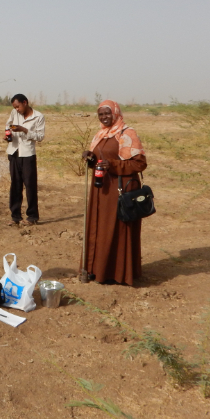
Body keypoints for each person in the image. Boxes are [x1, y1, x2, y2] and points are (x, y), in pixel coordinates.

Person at [81, 100, 147, 285]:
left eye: (107, 113)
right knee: (100, 228)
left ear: (116, 113)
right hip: (101, 189)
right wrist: (91, 157)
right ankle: (97, 269)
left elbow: (139, 163)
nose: (104, 117)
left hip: (120, 189)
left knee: (115, 229)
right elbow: (101, 160)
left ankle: (116, 273)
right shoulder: (101, 134)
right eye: (101, 114)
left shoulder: (127, 133)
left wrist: (113, 165)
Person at [4, 94, 45, 225]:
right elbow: (8, 126)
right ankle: (15, 217)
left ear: (25, 103)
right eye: (14, 107)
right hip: (14, 152)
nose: (17, 109)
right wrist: (8, 134)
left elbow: (40, 136)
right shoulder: (14, 113)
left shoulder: (38, 116)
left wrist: (24, 130)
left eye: (18, 106)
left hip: (28, 155)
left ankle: (32, 217)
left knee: (30, 186)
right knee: (15, 185)